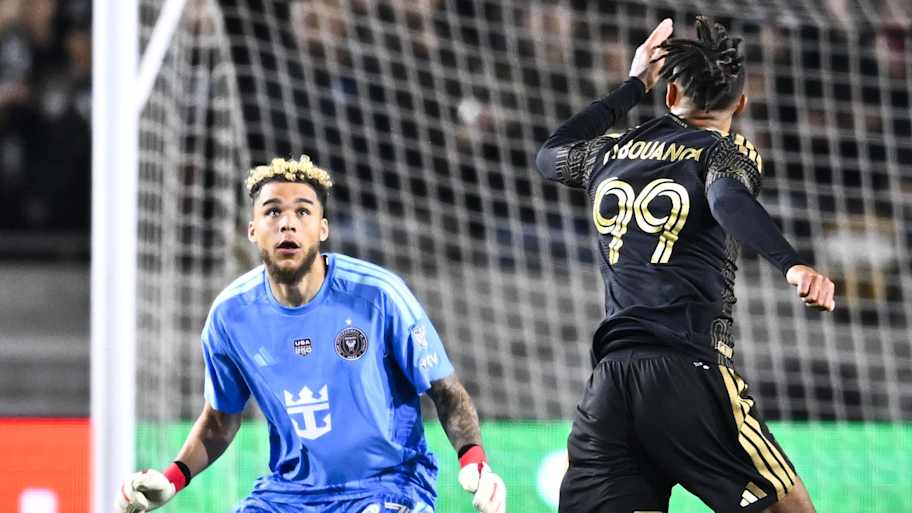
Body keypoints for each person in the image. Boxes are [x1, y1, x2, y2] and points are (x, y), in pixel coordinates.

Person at [535, 17, 834, 513]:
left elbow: (550, 155)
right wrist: (791, 264)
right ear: (741, 103)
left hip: (611, 382)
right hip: (689, 371)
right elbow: (728, 201)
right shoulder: (724, 150)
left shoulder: (610, 152)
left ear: (671, 95)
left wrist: (633, 86)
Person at [115, 156, 506, 513]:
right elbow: (219, 419)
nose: (287, 222)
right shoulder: (230, 317)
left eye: (302, 211)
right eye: (273, 212)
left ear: (322, 229)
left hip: (387, 488)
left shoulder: (379, 295)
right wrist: (173, 477)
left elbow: (446, 391)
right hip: (287, 494)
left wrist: (475, 462)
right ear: (253, 230)